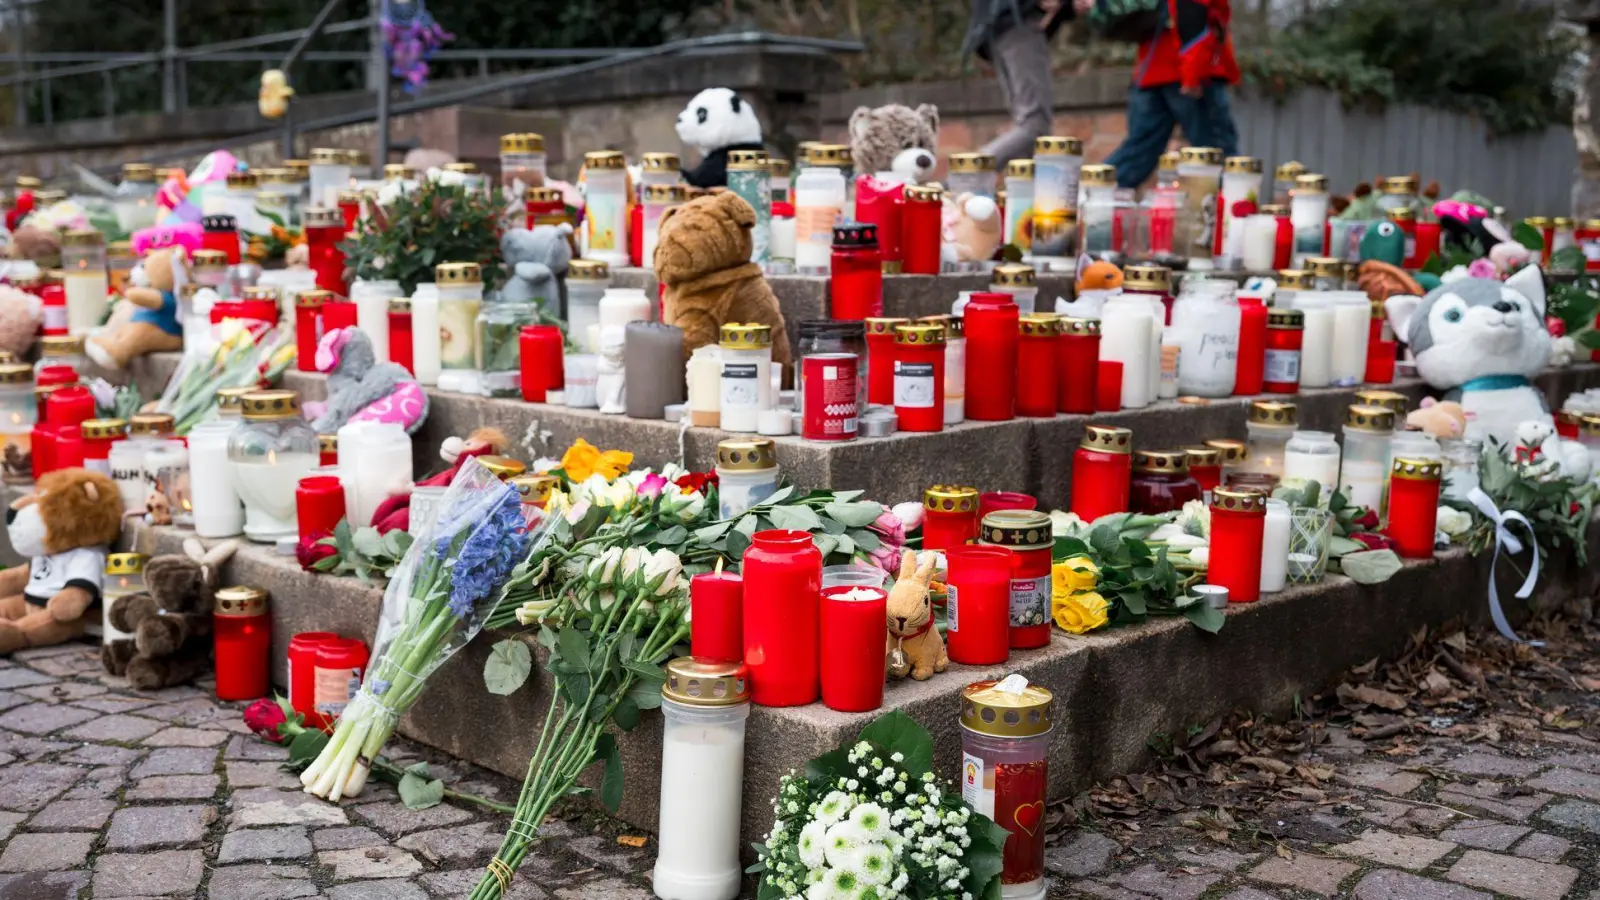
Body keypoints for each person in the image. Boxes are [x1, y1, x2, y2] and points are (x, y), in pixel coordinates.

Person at [1103, 0, 1240, 188]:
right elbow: (1193, 12)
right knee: (1217, 154)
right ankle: (1234, 212)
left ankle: (1088, 196)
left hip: (1151, 68)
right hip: (1190, 67)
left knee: (1137, 154)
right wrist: (1192, 74)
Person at [961, 0, 1073, 168]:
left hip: (1004, 22)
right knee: (1035, 126)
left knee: (1030, 132)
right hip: (1017, 20)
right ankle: (966, 175)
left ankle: (1029, 191)